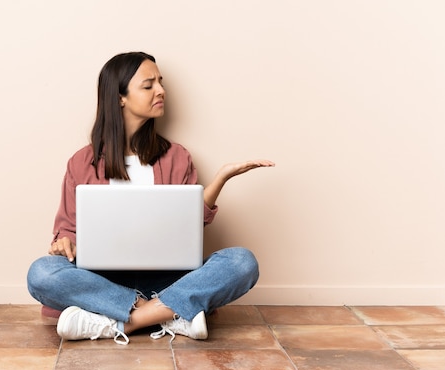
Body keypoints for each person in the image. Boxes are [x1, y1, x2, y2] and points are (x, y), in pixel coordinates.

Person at [27, 52, 274, 345]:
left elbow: (188, 227)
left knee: (242, 262)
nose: (160, 90)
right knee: (41, 272)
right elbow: (67, 228)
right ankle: (172, 314)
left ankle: (120, 322)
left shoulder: (177, 156)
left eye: (161, 82)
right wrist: (64, 243)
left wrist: (220, 179)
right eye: (148, 85)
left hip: (167, 279)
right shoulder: (82, 162)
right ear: (120, 97)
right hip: (103, 281)